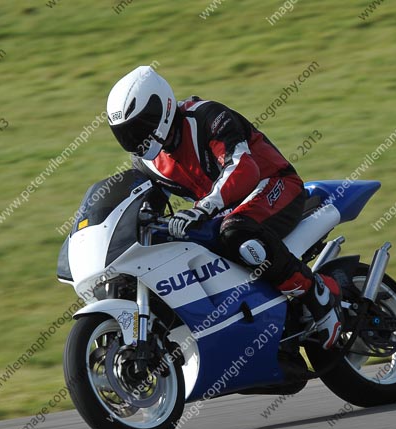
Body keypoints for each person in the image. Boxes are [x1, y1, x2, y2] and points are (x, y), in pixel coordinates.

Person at [106, 66, 342, 348]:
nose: (136, 139)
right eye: (127, 134)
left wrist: (204, 208)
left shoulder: (207, 117)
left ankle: (315, 294)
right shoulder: (148, 163)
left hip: (274, 186)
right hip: (222, 211)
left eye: (140, 126)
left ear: (163, 107)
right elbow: (145, 208)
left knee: (235, 233)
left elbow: (242, 167)